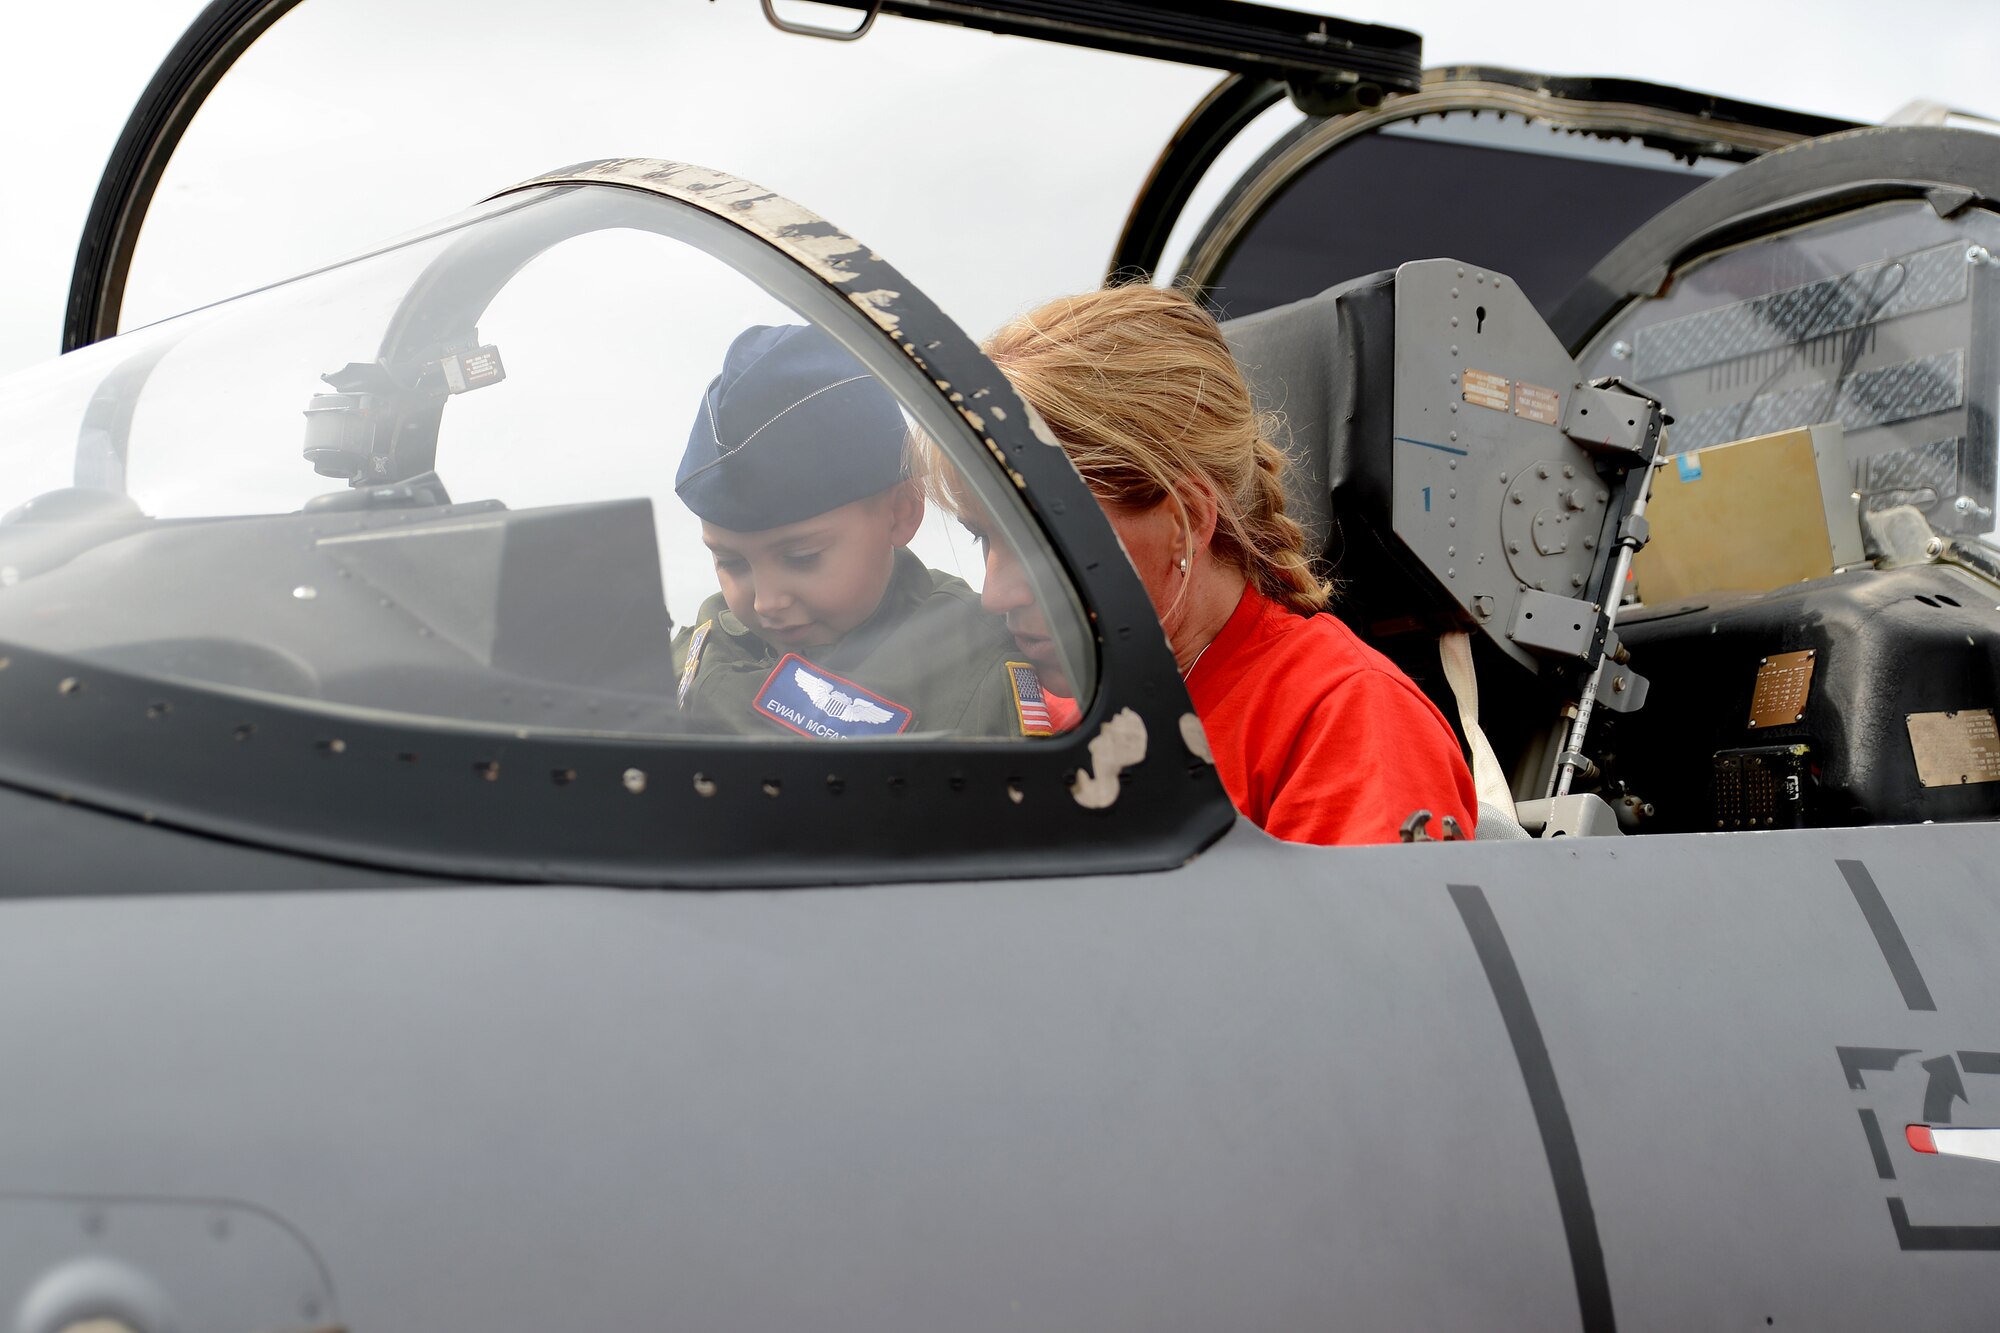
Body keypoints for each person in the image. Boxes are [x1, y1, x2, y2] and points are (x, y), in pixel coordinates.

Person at [968, 285, 1477, 845]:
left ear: (1183, 519)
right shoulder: (1036, 712)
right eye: (981, 538)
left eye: (1038, 540)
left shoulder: (1345, 722)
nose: (995, 595)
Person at [670, 323, 1058, 739]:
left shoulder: (978, 667)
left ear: (901, 512)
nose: (766, 602)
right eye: (731, 562)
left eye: (802, 558)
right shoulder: (706, 645)